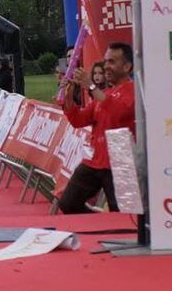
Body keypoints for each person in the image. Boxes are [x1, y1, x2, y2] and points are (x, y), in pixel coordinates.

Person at [58, 42, 135, 214]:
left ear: (127, 66)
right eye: (106, 61)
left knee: (124, 216)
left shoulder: (132, 91)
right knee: (67, 203)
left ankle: (111, 228)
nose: (107, 66)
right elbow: (79, 120)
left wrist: (90, 86)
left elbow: (117, 112)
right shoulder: (105, 94)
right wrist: (69, 98)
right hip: (97, 160)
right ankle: (99, 222)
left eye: (112, 62)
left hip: (120, 160)